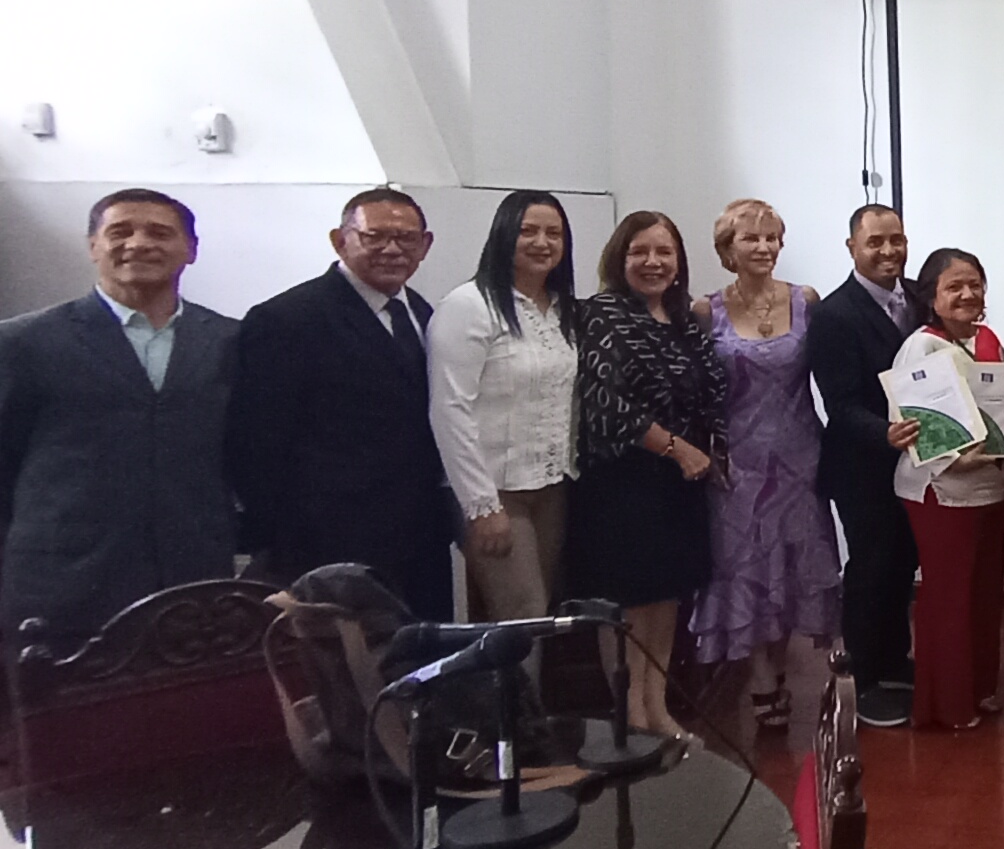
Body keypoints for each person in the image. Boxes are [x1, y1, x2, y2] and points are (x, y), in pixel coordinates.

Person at [0, 190, 239, 639]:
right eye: (120, 232)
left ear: (190, 249)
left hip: (194, 579)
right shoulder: (23, 343)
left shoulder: (231, 341)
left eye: (159, 233)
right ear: (93, 245)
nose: (139, 243)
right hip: (62, 585)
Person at [228, 187, 453, 621]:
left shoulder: (423, 313)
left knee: (418, 650)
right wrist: (279, 541)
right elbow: (256, 444)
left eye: (406, 238)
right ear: (340, 240)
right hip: (327, 541)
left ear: (425, 245)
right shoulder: (286, 319)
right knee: (342, 657)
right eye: (375, 236)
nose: (392, 249)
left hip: (418, 531)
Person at [566, 211, 727, 738]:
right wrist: (677, 449)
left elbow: (709, 395)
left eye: (664, 252)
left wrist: (710, 453)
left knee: (666, 598)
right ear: (620, 258)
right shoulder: (602, 314)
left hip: (680, 483)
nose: (653, 262)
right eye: (640, 251)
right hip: (625, 481)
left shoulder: (683, 318)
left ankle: (656, 707)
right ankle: (629, 716)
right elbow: (606, 404)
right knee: (630, 602)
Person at [690, 199, 842, 734]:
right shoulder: (705, 310)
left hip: (800, 457)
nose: (764, 247)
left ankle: (778, 668)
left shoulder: (806, 301)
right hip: (739, 464)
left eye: (772, 237)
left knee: (794, 567)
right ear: (727, 249)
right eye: (750, 238)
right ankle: (761, 680)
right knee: (748, 570)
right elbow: (695, 393)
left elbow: (830, 377)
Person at [427, 190, 581, 621]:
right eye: (528, 231)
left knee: (539, 615)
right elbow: (449, 409)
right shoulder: (469, 306)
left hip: (551, 486)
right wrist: (481, 505)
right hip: (494, 490)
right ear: (503, 235)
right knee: (522, 613)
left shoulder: (560, 309)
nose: (542, 242)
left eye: (553, 233)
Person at [888, 248, 1004, 730]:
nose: (967, 294)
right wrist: (958, 457)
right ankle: (947, 705)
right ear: (932, 296)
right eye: (954, 286)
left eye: (974, 284)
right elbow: (911, 423)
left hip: (991, 487)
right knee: (949, 596)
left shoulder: (987, 339)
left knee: (984, 594)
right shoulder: (922, 347)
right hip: (943, 490)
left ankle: (980, 687)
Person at [810, 204, 922, 730]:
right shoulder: (834, 314)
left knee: (903, 564)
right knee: (871, 569)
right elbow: (840, 401)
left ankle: (895, 660)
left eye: (896, 240)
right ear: (852, 247)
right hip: (863, 465)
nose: (888, 251)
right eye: (875, 242)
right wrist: (884, 434)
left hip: (915, 462)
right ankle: (864, 679)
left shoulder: (918, 298)